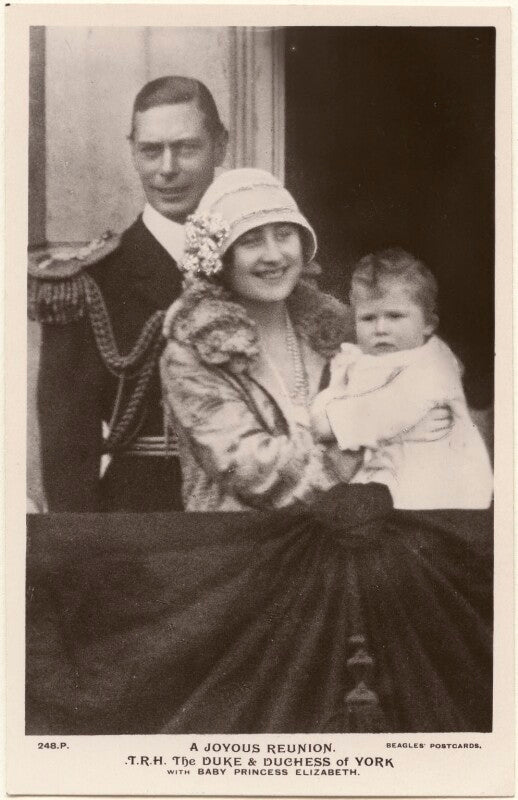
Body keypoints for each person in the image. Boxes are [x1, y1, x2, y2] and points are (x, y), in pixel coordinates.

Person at [160, 171, 451, 512]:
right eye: (251, 241)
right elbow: (258, 475)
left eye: (284, 235)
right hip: (243, 544)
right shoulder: (192, 354)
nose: (273, 255)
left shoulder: (339, 331)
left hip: (350, 532)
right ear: (221, 258)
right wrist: (375, 426)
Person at [29, 76, 228, 511]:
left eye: (187, 147)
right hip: (146, 516)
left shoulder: (256, 264)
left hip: (259, 511)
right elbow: (68, 449)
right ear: (133, 152)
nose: (167, 169)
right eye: (151, 150)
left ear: (221, 146)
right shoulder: (91, 283)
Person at [310, 248, 493, 509]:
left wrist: (331, 421)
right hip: (387, 484)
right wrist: (326, 414)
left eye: (395, 316)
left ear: (428, 324)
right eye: (368, 318)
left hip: (441, 495)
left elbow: (383, 413)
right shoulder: (357, 361)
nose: (381, 329)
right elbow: (320, 412)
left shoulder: (434, 366)